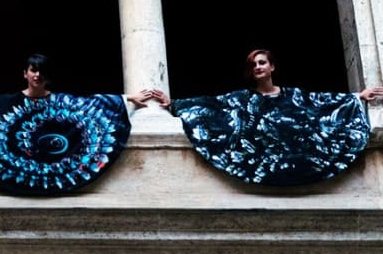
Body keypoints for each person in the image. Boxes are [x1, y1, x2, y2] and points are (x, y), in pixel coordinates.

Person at [0, 53, 161, 196]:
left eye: (41, 71)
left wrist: (127, 99)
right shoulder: (9, 103)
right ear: (25, 73)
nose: (37, 75)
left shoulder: (63, 103)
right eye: (33, 70)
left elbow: (92, 104)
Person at [153, 48, 383, 186]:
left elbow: (321, 103)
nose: (257, 67)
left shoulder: (294, 96)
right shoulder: (242, 99)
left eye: (262, 62)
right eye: (253, 64)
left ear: (272, 67)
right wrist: (174, 104)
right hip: (263, 162)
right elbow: (212, 104)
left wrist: (357, 97)